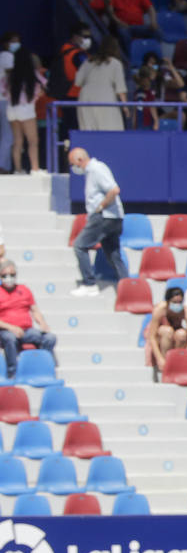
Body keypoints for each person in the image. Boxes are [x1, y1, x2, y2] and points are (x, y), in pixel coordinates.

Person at [68, 147, 129, 297]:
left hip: (104, 216)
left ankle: (89, 283)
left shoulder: (96, 169)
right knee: (113, 253)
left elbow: (114, 190)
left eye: (73, 164)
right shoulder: (91, 172)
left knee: (79, 246)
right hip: (112, 218)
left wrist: (100, 207)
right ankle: (127, 286)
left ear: (79, 160)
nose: (74, 168)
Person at [0, 261, 56, 381]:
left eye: (12, 274)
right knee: (9, 338)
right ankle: (13, 373)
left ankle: (43, 368)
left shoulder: (24, 290)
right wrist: (11, 327)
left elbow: (34, 310)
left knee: (49, 338)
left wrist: (42, 323)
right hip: (5, 331)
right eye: (4, 275)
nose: (8, 278)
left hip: (26, 331)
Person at [2, 45, 44, 173]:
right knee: (32, 141)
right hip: (27, 110)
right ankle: (35, 169)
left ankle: (18, 169)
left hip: (11, 109)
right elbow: (42, 89)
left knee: (17, 141)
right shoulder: (32, 74)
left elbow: (3, 91)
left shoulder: (10, 75)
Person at [74, 37, 129, 131]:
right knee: (110, 133)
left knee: (88, 133)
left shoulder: (88, 61)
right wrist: (125, 107)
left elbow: (78, 82)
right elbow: (121, 89)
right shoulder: (116, 63)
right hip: (106, 99)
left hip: (85, 99)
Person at [148, 285, 187, 375]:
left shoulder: (185, 310)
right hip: (161, 336)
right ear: (168, 301)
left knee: (182, 334)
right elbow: (151, 336)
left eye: (179, 302)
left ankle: (176, 362)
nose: (177, 305)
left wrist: (186, 352)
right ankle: (165, 363)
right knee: (167, 331)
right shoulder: (160, 310)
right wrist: (159, 358)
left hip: (176, 335)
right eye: (174, 302)